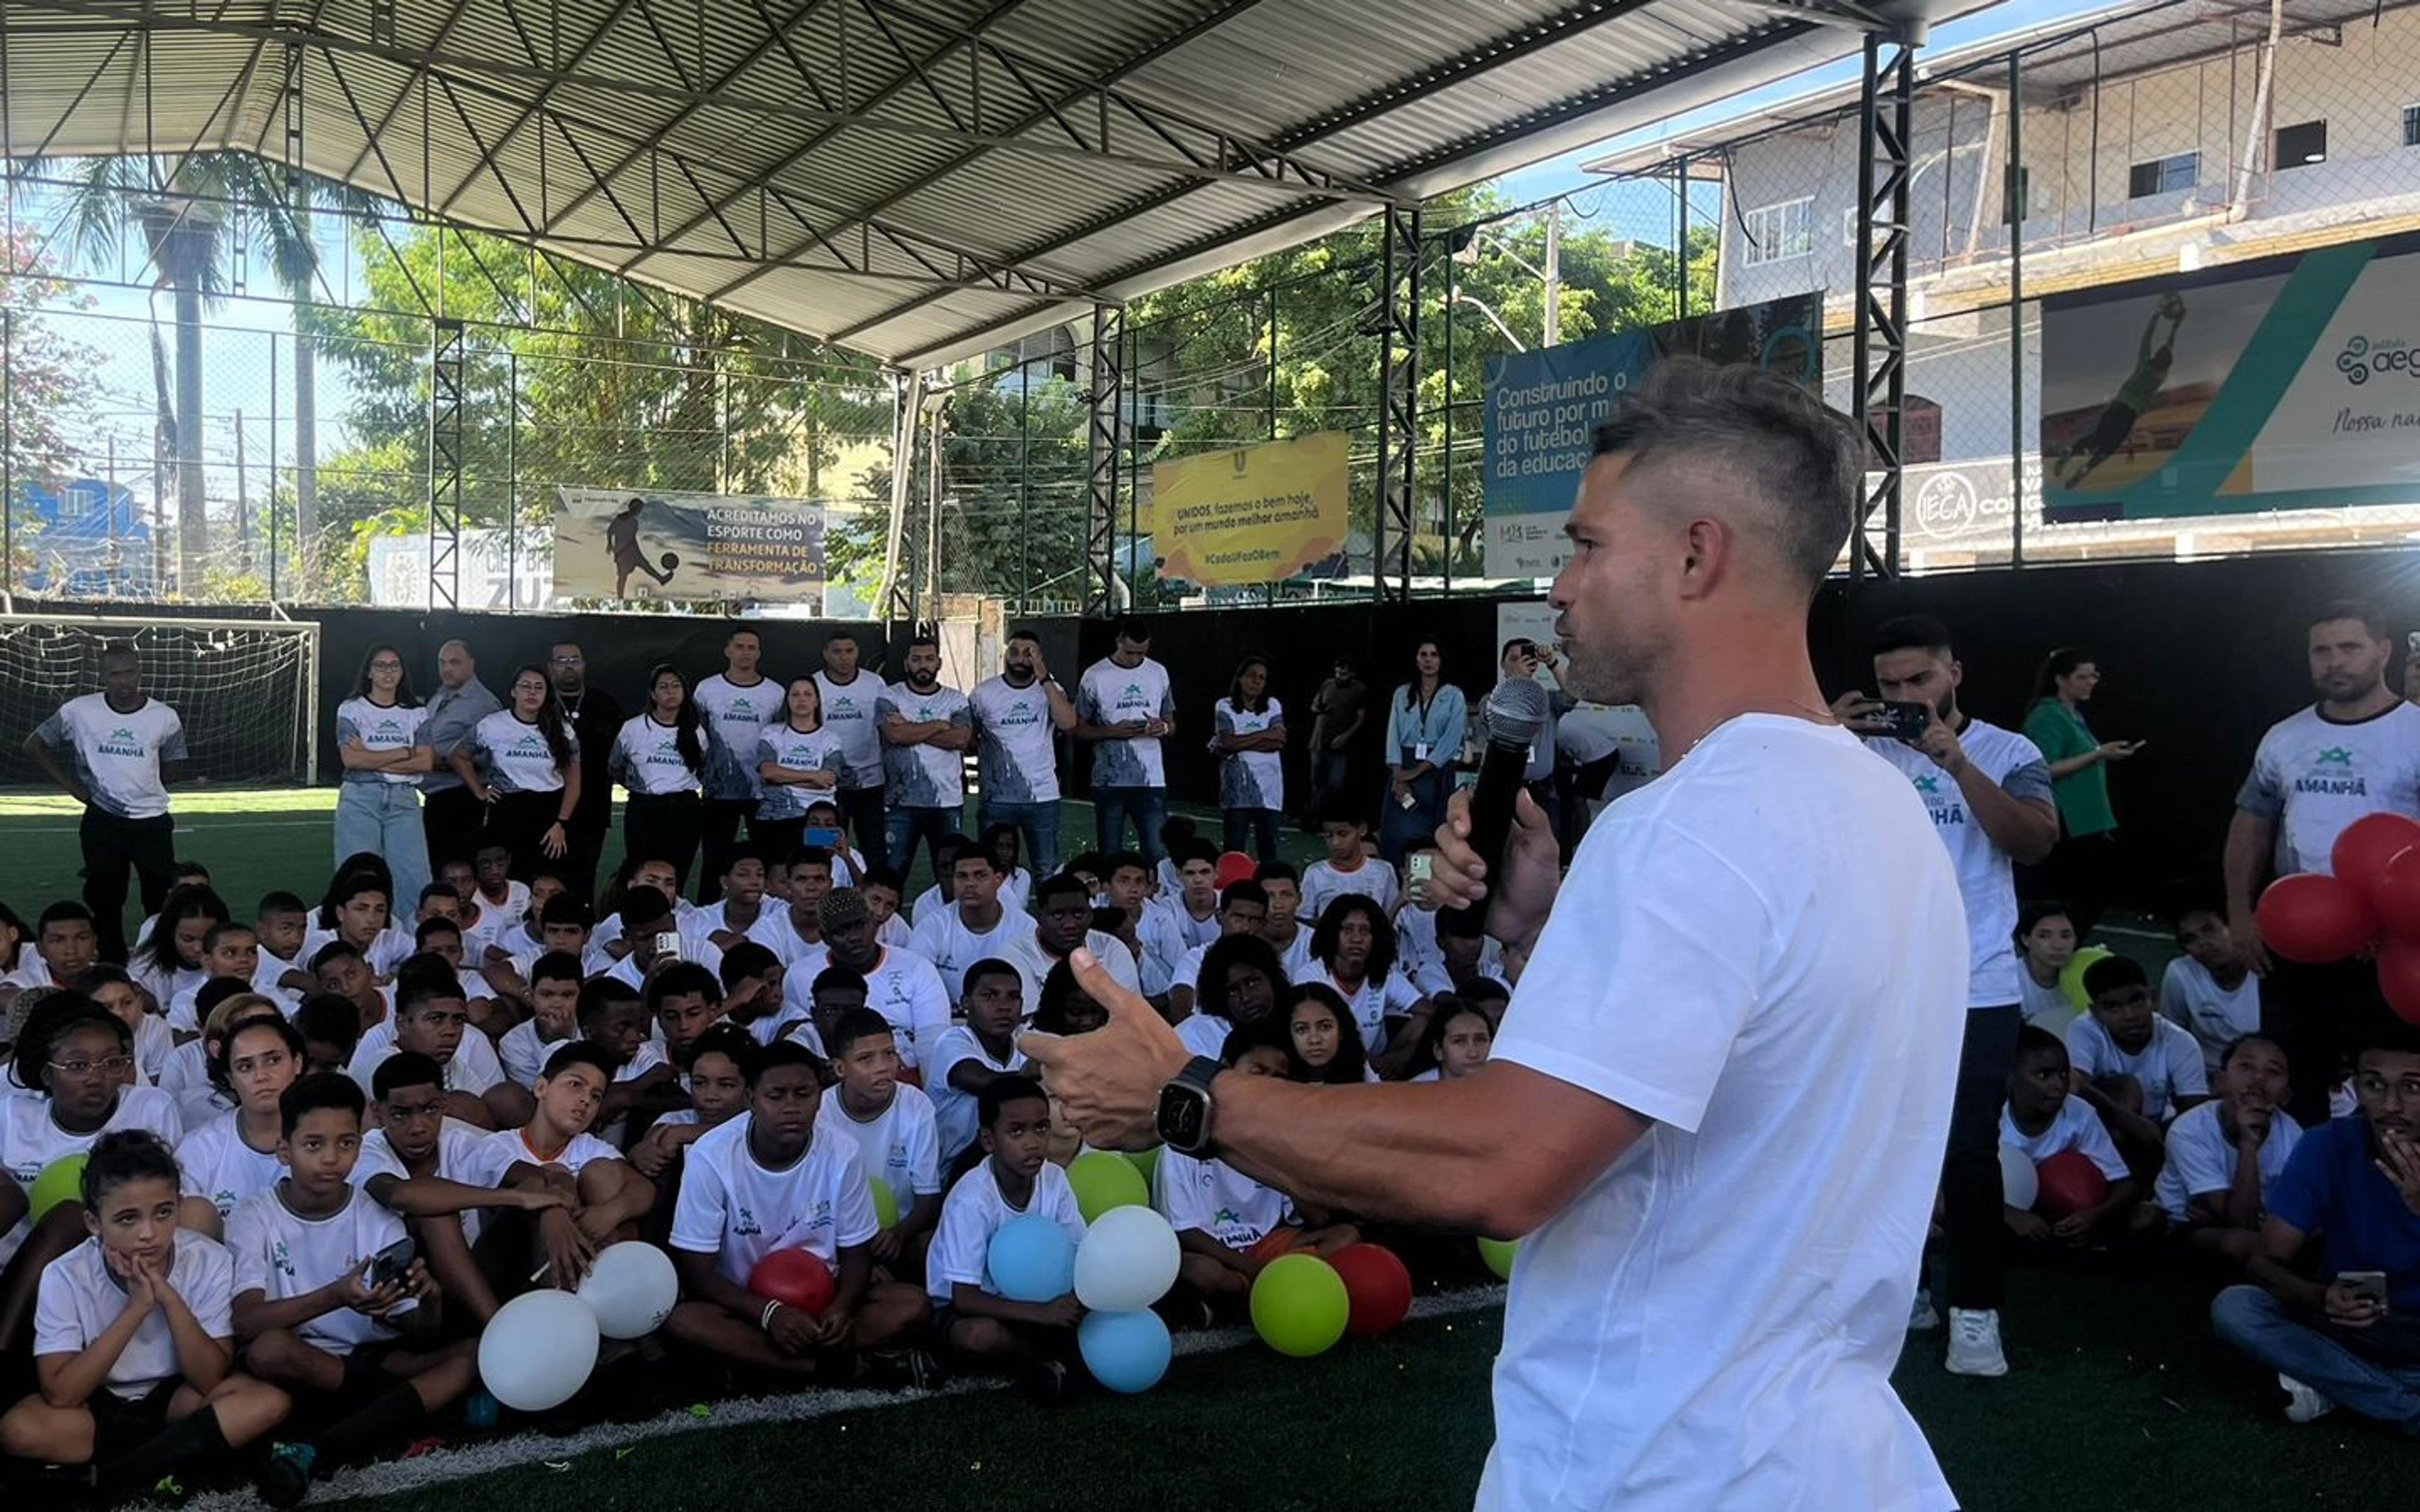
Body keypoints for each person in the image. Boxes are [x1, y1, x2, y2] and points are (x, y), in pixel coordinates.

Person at [1022, 359, 1973, 1509]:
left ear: (1696, 555)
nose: (1559, 588)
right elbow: (1728, 1098)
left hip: (1658, 1467)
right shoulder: (1885, 808)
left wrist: (1191, 1097)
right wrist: (1540, 938)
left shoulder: (1685, 829)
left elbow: (1511, 1163)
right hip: (1827, 1459)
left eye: (1584, 544)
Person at [1835, 613, 2058, 1377]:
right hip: (1879, 985)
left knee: (1966, 1153)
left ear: (1954, 674)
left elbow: (2035, 839)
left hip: (1976, 985)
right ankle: (1905, 1294)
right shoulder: (1860, 752)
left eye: (1919, 681)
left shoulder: (2009, 751)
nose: (1904, 698)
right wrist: (1822, 738)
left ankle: (1975, 1311)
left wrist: (1957, 764)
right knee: (1879, 1150)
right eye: (1889, 685)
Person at [3, 1131, 293, 1501]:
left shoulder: (209, 1260)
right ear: (95, 1223)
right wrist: (137, 1307)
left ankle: (108, 1479)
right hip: (97, 1407)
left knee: (266, 1402)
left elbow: (208, 1379)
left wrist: (168, 1298)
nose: (149, 1234)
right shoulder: (65, 1274)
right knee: (19, 1429)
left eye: (163, 1213)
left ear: (178, 1205)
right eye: (127, 1219)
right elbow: (62, 1394)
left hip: (176, 1402)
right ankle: (178, 1460)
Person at [2227, 601, 2420, 1126]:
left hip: (2391, 951)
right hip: (2299, 937)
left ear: (2383, 651)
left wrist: (2395, 921)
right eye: (2322, 650)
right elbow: (2251, 824)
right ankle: (2305, 1192)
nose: (2334, 661)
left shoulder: (2414, 732)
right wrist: (2241, 915)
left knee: (2393, 1084)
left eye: (2349, 648)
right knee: (2300, 1079)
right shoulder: (2286, 737)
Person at [226, 1074, 472, 1480]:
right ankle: (393, 1415)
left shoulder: (375, 1212)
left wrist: (430, 1301)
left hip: (373, 1359)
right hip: (307, 1362)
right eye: (313, 1145)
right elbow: (247, 1322)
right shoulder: (254, 1214)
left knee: (468, 1357)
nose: (331, 1158)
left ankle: (322, 1447)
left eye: (346, 1143)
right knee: (269, 1349)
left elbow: (418, 1333)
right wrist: (337, 1295)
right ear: (284, 1150)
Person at [662, 1038, 932, 1385]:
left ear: (820, 1096)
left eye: (804, 1094)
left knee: (911, 1304)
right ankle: (830, 1369)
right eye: (776, 1096)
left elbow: (856, 1254)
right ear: (751, 1100)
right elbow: (700, 1272)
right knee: (684, 1321)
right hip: (746, 1305)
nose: (792, 1107)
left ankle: (766, 1364)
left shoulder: (843, 1151)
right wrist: (769, 1314)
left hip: (822, 1295)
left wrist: (842, 1307)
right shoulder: (710, 1156)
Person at [2211, 1016, 2420, 1429]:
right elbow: (2264, 1260)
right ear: (2356, 1087)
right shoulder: (2329, 1144)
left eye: (2412, 1087)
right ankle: (2404, 1406)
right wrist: (2319, 1296)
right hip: (2347, 1320)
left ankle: (2337, 1384)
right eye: (2374, 1084)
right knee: (2236, 1307)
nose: (2391, 1105)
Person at [1, 996, 185, 1353]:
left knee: (74, 1213)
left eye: (112, 1063)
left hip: (110, 1269)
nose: (96, 1077)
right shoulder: (12, 1115)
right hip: (16, 1265)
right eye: (77, 1066)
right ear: (46, 1074)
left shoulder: (150, 1109)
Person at [1159, 1026, 1357, 1320]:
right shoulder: (1186, 1137)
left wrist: (1286, 1163)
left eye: (1278, 1078)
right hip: (1219, 1255)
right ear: (1226, 1071)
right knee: (1201, 1272)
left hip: (1268, 1247)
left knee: (1346, 1236)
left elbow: (1315, 1219)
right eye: (1257, 1071)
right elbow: (1185, 1230)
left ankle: (1249, 1300)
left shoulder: (1281, 1138)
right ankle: (1265, 1293)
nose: (1267, 1085)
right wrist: (1253, 1269)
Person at [23, 642, 188, 963]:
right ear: (103, 677)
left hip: (152, 821)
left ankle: (160, 962)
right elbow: (34, 745)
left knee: (159, 898)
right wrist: (73, 787)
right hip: (102, 821)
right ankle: (112, 965)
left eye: (129, 672)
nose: (124, 681)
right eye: (115, 674)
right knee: (106, 898)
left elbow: (175, 765)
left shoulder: (165, 717)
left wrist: (143, 784)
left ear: (140, 672)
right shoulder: (79, 711)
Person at [923, 1078, 1085, 1396]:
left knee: (1100, 1307)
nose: (1033, 1142)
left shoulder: (1054, 1179)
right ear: (988, 1140)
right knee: (980, 1337)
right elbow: (965, 1298)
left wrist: (1077, 1302)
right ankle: (1045, 1363)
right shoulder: (972, 1199)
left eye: (1041, 1128)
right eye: (1016, 1131)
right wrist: (1042, 1314)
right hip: (974, 1309)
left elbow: (1080, 1251)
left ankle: (1055, 1360)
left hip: (1041, 1301)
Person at [2020, 648, 2140, 935]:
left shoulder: (2073, 715)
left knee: (2091, 895)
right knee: (2077, 896)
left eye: (2094, 676)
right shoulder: (2047, 715)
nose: (2091, 682)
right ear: (2061, 679)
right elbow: (2043, 768)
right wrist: (2098, 755)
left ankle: (2067, 948)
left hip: (2089, 821)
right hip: (2067, 820)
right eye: (2082, 676)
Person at [819, 1008, 944, 1274]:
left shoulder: (916, 1105)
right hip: (837, 1240)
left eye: (889, 1054)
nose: (883, 1068)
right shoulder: (820, 1112)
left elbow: (928, 1198)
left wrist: (898, 1235)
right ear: (840, 1068)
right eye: (866, 1059)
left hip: (898, 1235)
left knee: (928, 1246)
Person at [2156, 1034, 2300, 1264]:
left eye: (2273, 1072)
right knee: (2246, 1244)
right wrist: (2248, 1143)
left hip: (2252, 1222)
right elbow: (2241, 1222)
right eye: (2246, 1067)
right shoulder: (2189, 1130)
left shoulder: (2293, 1134)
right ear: (2220, 1081)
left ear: (2286, 1096)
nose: (2258, 1079)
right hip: (2185, 1224)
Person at [2066, 954, 2209, 1175]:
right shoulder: (2084, 1029)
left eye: (2137, 1001)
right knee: (2126, 1087)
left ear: (2153, 998)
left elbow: (2195, 1113)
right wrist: (2126, 1120)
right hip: (2101, 1134)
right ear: (2096, 1012)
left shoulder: (2181, 1042)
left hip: (2155, 1136)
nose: (2130, 1016)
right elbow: (2074, 1086)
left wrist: (2155, 1138)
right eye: (2114, 1007)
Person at [2001, 1026, 2140, 1247]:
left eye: (2064, 1074)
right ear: (2010, 1077)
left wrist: (2094, 1215)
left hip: (2057, 1213)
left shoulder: (2079, 1114)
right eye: (2044, 1075)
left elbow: (2124, 1184)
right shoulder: (1989, 1115)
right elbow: (1953, 1184)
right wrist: (2009, 1215)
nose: (2059, 1085)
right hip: (2000, 1209)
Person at [173, 1012, 304, 1237]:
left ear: (297, 1063)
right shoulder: (199, 1149)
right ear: (230, 1078)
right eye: (245, 1067)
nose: (261, 1076)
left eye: (273, 1060)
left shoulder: (328, 1138)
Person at [448, 665, 581, 882]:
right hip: (507, 810)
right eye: (525, 686)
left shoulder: (563, 730)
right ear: (513, 692)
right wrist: (480, 791)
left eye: (539, 687)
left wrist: (561, 823)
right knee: (507, 879)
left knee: (547, 879)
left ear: (547, 693)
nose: (532, 693)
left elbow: (574, 782)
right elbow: (458, 756)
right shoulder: (493, 725)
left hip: (549, 814)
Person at [332, 646, 434, 915]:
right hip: (360, 799)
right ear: (368, 672)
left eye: (394, 665)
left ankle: (411, 944)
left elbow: (425, 762)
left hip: (403, 800)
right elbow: (351, 761)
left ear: (402, 672)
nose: (387, 671)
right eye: (380, 665)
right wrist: (403, 753)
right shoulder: (351, 709)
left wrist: (370, 757)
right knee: (358, 875)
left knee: (413, 876)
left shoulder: (416, 713)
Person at [971, 629, 1076, 885]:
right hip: (997, 799)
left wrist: (1045, 678)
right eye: (1015, 652)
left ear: (1040, 657)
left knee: (1047, 868)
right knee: (991, 867)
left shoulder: (1051, 689)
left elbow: (1068, 722)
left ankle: (1050, 923)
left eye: (1029, 653)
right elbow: (968, 738)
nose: (1021, 659)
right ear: (1006, 655)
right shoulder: (983, 693)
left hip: (1042, 797)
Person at [2053, 300, 2183, 491]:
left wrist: (2156, 316)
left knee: (2097, 437)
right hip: (2129, 414)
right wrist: (2176, 326)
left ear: (2156, 357)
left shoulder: (2144, 365)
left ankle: (2071, 451)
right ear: (2167, 366)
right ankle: (2087, 468)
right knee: (2109, 447)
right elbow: (2169, 347)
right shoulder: (2160, 378)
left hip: (2118, 405)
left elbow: (2147, 339)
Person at [1075, 620, 1177, 862]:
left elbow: (1171, 724)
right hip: (1110, 781)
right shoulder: (1095, 675)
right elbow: (1077, 728)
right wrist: (1111, 732)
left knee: (1157, 851)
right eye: (1129, 652)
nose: (1134, 659)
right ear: (1118, 641)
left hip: (1151, 780)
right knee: (1111, 853)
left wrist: (1161, 727)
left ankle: (1157, 897)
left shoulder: (1158, 672)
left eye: (1141, 653)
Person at [610, 663, 715, 893]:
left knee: (676, 875)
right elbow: (616, 766)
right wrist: (638, 789)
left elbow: (704, 769)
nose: (671, 691)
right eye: (664, 686)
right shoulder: (633, 729)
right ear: (653, 694)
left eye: (676, 686)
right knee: (641, 873)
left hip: (684, 810)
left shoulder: (696, 732)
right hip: (644, 810)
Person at [693, 628, 780, 903]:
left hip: (763, 791)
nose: (745, 652)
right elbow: (697, 735)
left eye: (751, 647)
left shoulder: (776, 692)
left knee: (765, 859)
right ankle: (708, 910)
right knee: (715, 859)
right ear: (728, 650)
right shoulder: (707, 689)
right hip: (719, 790)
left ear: (759, 653)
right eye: (739, 646)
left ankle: (765, 913)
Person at [877, 635, 974, 876]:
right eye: (917, 659)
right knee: (893, 875)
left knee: (950, 876)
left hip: (946, 802)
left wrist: (910, 726)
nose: (923, 665)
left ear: (939, 663)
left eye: (929, 659)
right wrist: (942, 725)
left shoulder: (956, 699)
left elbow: (960, 740)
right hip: (900, 802)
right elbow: (894, 736)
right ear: (906, 663)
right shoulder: (890, 696)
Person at [926, 961, 1031, 1164]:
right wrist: (1036, 1073)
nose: (1004, 1006)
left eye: (1013, 997)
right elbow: (985, 1082)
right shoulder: (953, 1040)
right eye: (989, 996)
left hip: (1016, 1164)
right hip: (958, 1168)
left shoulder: (1025, 1041)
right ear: (965, 1002)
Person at [545, 643, 625, 902]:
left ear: (584, 665)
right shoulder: (538, 705)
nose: (569, 666)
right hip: (545, 809)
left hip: (593, 809)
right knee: (547, 878)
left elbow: (624, 753)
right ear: (550, 667)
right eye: (562, 660)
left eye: (575, 660)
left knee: (583, 878)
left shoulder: (605, 705)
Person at [909, 849, 1038, 1008]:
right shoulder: (932, 926)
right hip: (948, 1020)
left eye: (980, 875)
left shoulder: (1026, 927)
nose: (970, 884)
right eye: (962, 876)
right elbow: (913, 982)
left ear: (998, 880)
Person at [414, 641, 500, 878]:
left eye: (455, 662)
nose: (447, 669)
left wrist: (440, 761)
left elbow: (490, 759)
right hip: (435, 799)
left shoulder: (484, 705)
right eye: (442, 662)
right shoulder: (441, 695)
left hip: (460, 801)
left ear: (472, 664)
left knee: (454, 873)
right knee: (433, 871)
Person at [1376, 637, 1465, 867]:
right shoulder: (1402, 693)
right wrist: (1398, 775)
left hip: (1434, 770)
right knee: (1397, 832)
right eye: (1423, 655)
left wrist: (1416, 772)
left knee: (1428, 833)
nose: (1428, 660)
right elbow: (1392, 734)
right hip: (1402, 767)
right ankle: (1395, 881)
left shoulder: (1453, 695)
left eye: (1434, 655)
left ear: (1442, 660)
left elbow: (1451, 740)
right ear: (1416, 660)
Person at [814, 631, 890, 864]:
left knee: (875, 847)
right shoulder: (813, 683)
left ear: (857, 653)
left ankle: (875, 897)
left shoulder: (875, 683)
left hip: (871, 781)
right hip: (827, 782)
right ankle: (820, 898)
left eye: (849, 651)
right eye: (837, 652)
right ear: (826, 654)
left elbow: (886, 726)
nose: (844, 657)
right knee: (822, 849)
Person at [2163, 905, 2263, 1080]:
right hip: (2204, 1076)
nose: (2203, 943)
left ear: (2234, 928)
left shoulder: (2264, 970)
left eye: (2210, 930)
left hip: (2258, 1076)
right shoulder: (2180, 973)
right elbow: (2172, 1035)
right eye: (2190, 939)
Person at [754, 676, 844, 867]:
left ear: (817, 701)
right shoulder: (772, 733)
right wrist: (812, 775)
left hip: (819, 820)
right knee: (776, 876)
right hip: (775, 816)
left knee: (818, 872)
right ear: (787, 701)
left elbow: (828, 780)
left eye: (807, 694)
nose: (801, 699)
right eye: (795, 694)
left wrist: (783, 777)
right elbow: (768, 773)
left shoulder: (830, 739)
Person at [1212, 655, 1286, 862]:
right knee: (1234, 850)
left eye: (1262, 678)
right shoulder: (1224, 706)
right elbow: (1227, 742)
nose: (1256, 681)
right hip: (1237, 791)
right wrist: (1264, 734)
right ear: (1240, 678)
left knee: (1268, 850)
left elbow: (1279, 742)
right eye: (1252, 676)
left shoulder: (1273, 705)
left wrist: (1241, 741)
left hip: (1270, 791)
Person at [1302, 655, 1367, 830]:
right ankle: (1313, 819)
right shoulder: (1328, 684)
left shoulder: (1358, 690)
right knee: (1316, 783)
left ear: (1351, 674)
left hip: (1340, 746)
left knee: (1335, 785)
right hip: (1318, 741)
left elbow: (1360, 718)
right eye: (1338, 673)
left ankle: (1329, 819)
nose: (1340, 677)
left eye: (1344, 674)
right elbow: (1315, 704)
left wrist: (1345, 736)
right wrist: (1318, 708)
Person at [1300, 809, 1398, 922]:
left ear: (1362, 830)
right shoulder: (1315, 872)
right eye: (1329, 836)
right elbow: (1305, 920)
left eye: (1343, 834)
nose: (1335, 842)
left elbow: (1393, 917)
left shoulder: (1383, 870)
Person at [1282, 984, 1370, 1085]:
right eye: (1301, 1029)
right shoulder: (1275, 1075)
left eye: (1325, 1027)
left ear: (1341, 1031)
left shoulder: (1362, 1070)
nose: (1315, 1040)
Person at [2014, 902, 2081, 1034]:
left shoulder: (2084, 974)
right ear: (2025, 939)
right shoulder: (2010, 980)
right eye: (2044, 936)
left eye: (2066, 936)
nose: (2058, 945)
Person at [606, 495, 676, 596]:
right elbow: (611, 531)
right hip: (625, 552)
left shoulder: (630, 520)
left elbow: (612, 532)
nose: (640, 512)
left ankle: (661, 579)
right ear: (635, 509)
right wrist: (610, 544)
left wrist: (610, 544)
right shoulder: (625, 520)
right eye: (639, 509)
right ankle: (620, 597)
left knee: (645, 566)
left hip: (631, 551)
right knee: (624, 575)